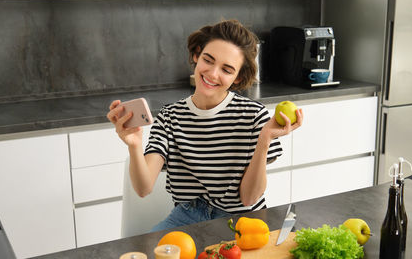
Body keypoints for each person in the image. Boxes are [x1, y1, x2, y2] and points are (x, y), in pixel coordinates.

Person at [106, 19, 304, 231]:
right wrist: (134, 144)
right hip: (186, 217)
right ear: (196, 55)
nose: (212, 73)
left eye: (227, 70)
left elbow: (248, 199)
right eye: (208, 60)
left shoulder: (254, 115)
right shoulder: (169, 117)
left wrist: (264, 139)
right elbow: (143, 188)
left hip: (241, 220)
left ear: (238, 78)